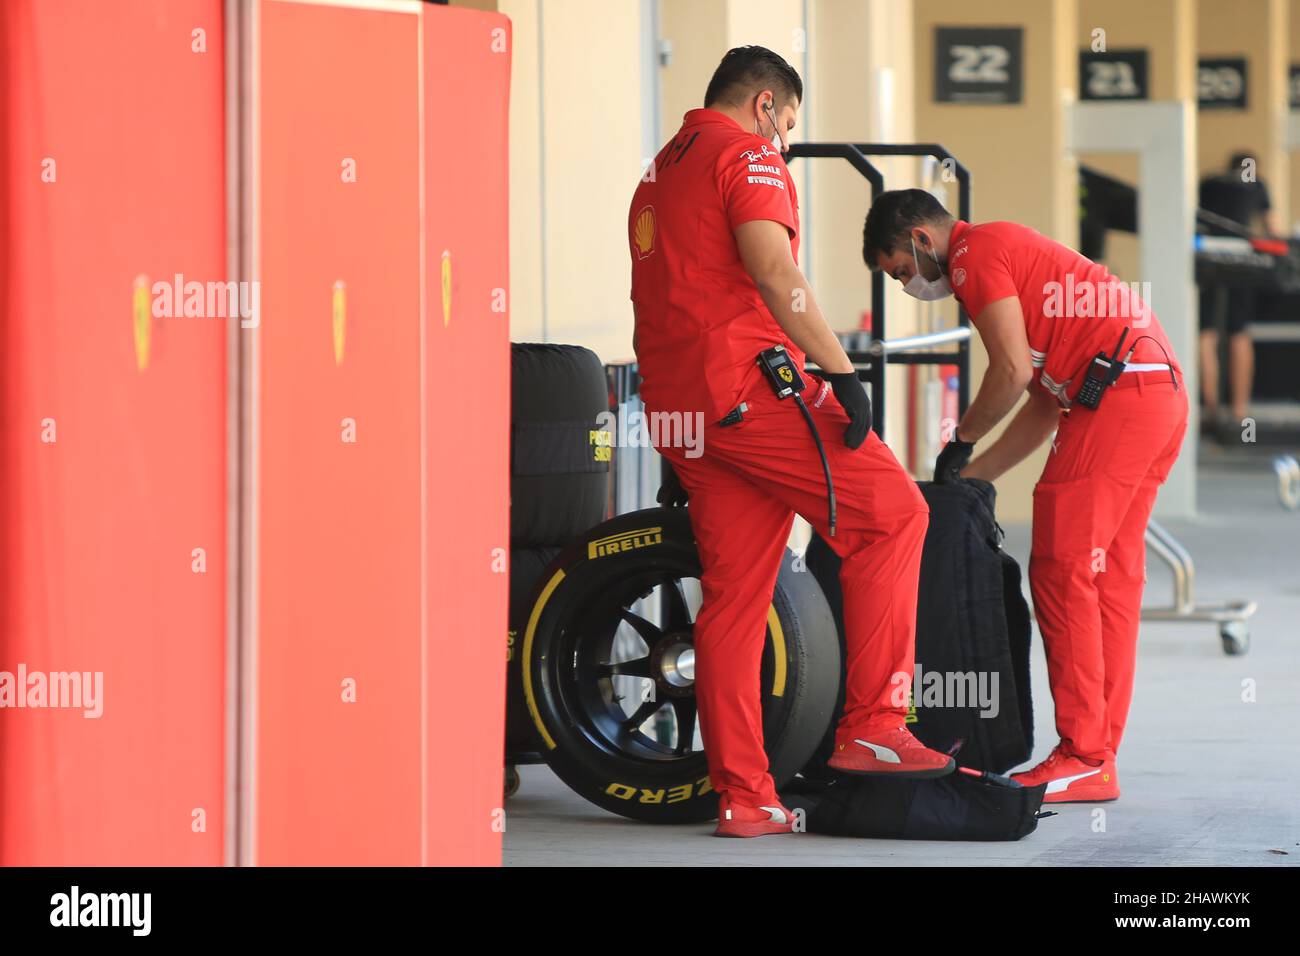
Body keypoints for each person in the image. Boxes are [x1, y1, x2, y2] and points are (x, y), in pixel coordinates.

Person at [627, 48, 954, 839]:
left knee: (736, 600)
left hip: (682, 406)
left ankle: (747, 796)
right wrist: (841, 373)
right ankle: (875, 726)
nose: (783, 140)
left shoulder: (658, 171)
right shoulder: (747, 156)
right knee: (895, 516)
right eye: (788, 125)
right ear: (766, 104)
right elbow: (776, 273)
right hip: (747, 392)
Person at [862, 189, 1188, 804]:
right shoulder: (1014, 254)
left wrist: (960, 437)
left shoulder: (972, 254)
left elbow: (1009, 371)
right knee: (1108, 576)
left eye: (903, 271)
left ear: (921, 240)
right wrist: (971, 476)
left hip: (1120, 402)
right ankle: (1098, 754)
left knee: (1063, 569)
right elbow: (1041, 400)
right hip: (1155, 393)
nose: (910, 286)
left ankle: (1084, 754)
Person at [1198, 152, 1280, 433]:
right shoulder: (1256, 184)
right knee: (1239, 334)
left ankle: (1210, 411)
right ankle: (1239, 410)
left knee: (1206, 335)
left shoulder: (1209, 183)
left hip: (1208, 262)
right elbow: (1273, 229)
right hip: (1240, 263)